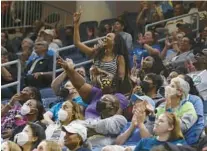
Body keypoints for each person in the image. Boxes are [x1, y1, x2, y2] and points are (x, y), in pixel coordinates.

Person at [73, 9, 131, 94]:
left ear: (115, 42)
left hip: (111, 91)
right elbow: (77, 43)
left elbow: (120, 79)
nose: (105, 37)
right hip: (94, 89)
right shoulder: (97, 53)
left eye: (109, 36)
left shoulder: (119, 57)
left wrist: (101, 72)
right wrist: (76, 24)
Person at [136, 77, 198, 145]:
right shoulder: (161, 106)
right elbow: (151, 132)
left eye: (172, 86)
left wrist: (168, 108)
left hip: (174, 145)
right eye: (168, 85)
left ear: (180, 92)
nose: (167, 87)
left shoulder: (188, 107)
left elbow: (181, 128)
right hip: (156, 143)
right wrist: (152, 115)